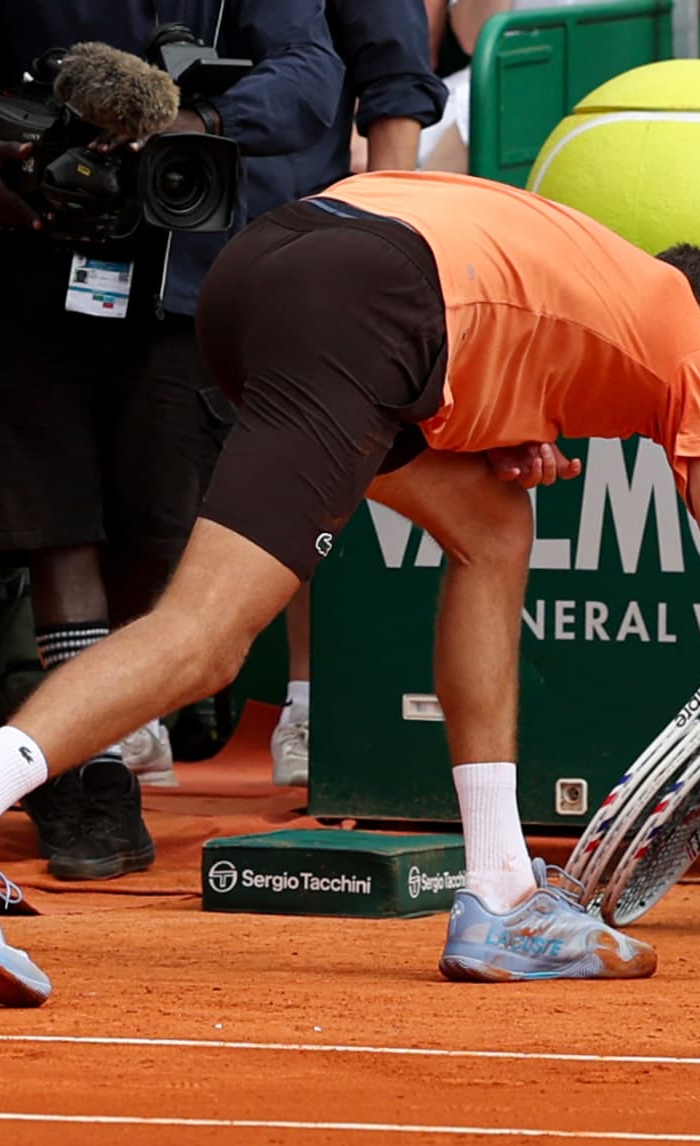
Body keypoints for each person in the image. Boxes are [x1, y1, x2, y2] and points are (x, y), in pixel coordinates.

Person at [0, 171, 700, 1006]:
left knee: (490, 524)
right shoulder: (681, 338)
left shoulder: (579, 267)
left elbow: (467, 323)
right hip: (366, 304)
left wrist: (505, 428)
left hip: (268, 267)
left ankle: (495, 898)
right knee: (208, 639)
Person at [0, 1, 345, 878]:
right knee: (53, 519)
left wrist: (190, 124)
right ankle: (91, 766)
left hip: (188, 277)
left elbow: (311, 76)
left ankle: (94, 734)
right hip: (21, 263)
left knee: (156, 525)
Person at [272, 0, 448, 788]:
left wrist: (380, 225)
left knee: (313, 473)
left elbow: (394, 72)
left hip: (304, 230)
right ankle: (129, 730)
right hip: (155, 241)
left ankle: (310, 703)